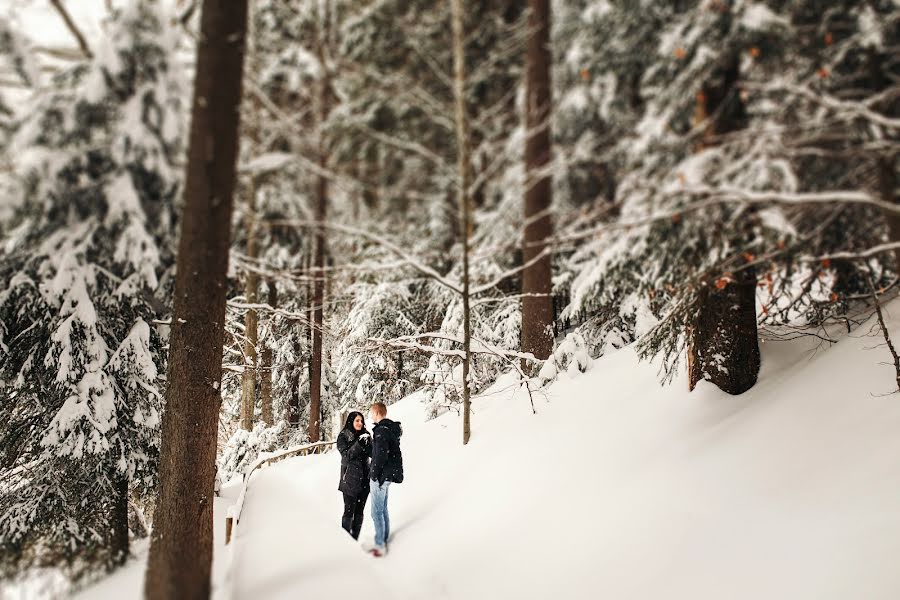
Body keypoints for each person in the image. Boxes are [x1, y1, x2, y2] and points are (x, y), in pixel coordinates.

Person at [368, 401, 403, 557]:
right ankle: (384, 538)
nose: (370, 416)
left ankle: (380, 544)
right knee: (382, 509)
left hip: (381, 476)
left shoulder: (381, 430)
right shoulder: (390, 429)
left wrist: (374, 474)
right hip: (388, 474)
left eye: (371, 413)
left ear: (377, 412)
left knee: (376, 512)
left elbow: (380, 455)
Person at [336, 411, 372, 540]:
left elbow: (373, 454)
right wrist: (359, 444)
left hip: (364, 480)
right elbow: (346, 456)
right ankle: (345, 542)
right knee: (349, 512)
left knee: (359, 512)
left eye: (361, 421)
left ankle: (354, 539)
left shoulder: (366, 435)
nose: (360, 423)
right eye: (357, 420)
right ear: (351, 421)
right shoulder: (343, 436)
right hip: (349, 481)